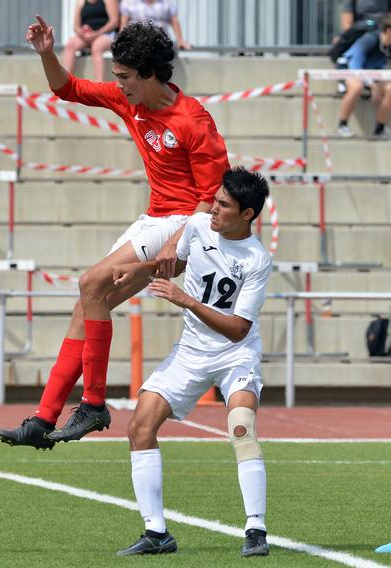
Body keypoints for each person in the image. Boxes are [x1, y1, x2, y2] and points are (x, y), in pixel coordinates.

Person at [0, 19, 229, 449]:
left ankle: (94, 403)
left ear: (149, 73)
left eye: (123, 77)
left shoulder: (194, 119)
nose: (117, 85)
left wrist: (179, 244)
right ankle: (43, 420)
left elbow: (212, 195)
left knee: (90, 283)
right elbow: (68, 89)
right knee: (88, 304)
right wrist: (47, 52)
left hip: (185, 224)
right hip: (154, 220)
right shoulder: (132, 103)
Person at [112, 167, 272, 557]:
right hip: (191, 351)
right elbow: (174, 264)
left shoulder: (257, 259)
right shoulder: (199, 226)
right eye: (214, 201)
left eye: (223, 205)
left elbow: (236, 329)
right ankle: (156, 533)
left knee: (240, 426)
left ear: (247, 214)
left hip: (235, 354)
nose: (212, 209)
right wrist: (139, 269)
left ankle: (256, 529)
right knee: (139, 426)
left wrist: (185, 299)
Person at [336, 14, 391, 140]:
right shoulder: (369, 39)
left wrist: (378, 83)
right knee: (357, 87)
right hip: (348, 67)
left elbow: (380, 65)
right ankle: (342, 125)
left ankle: (379, 129)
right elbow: (355, 65)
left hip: (370, 73)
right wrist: (372, 84)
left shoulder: (390, 45)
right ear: (390, 30)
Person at [61, 0, 120, 82]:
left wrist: (97, 33)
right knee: (70, 45)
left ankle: (100, 86)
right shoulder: (81, 2)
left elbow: (114, 22)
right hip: (86, 35)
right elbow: (76, 26)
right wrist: (82, 33)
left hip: (106, 33)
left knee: (97, 46)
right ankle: (64, 83)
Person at [119, 0, 191, 50]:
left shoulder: (167, 2)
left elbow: (174, 20)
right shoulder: (128, 2)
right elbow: (124, 24)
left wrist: (180, 40)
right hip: (137, 42)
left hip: (161, 42)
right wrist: (120, 40)